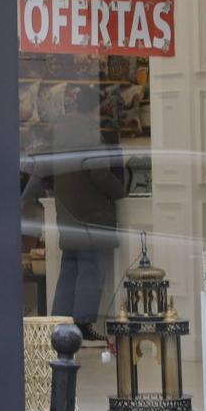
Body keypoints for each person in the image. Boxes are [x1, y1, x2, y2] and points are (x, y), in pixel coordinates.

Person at [50, 86, 126, 341]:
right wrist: (120, 190)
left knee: (69, 268)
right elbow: (100, 173)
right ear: (94, 109)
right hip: (91, 214)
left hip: (68, 211)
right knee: (91, 269)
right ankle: (83, 323)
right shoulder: (90, 134)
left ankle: (59, 323)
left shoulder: (60, 132)